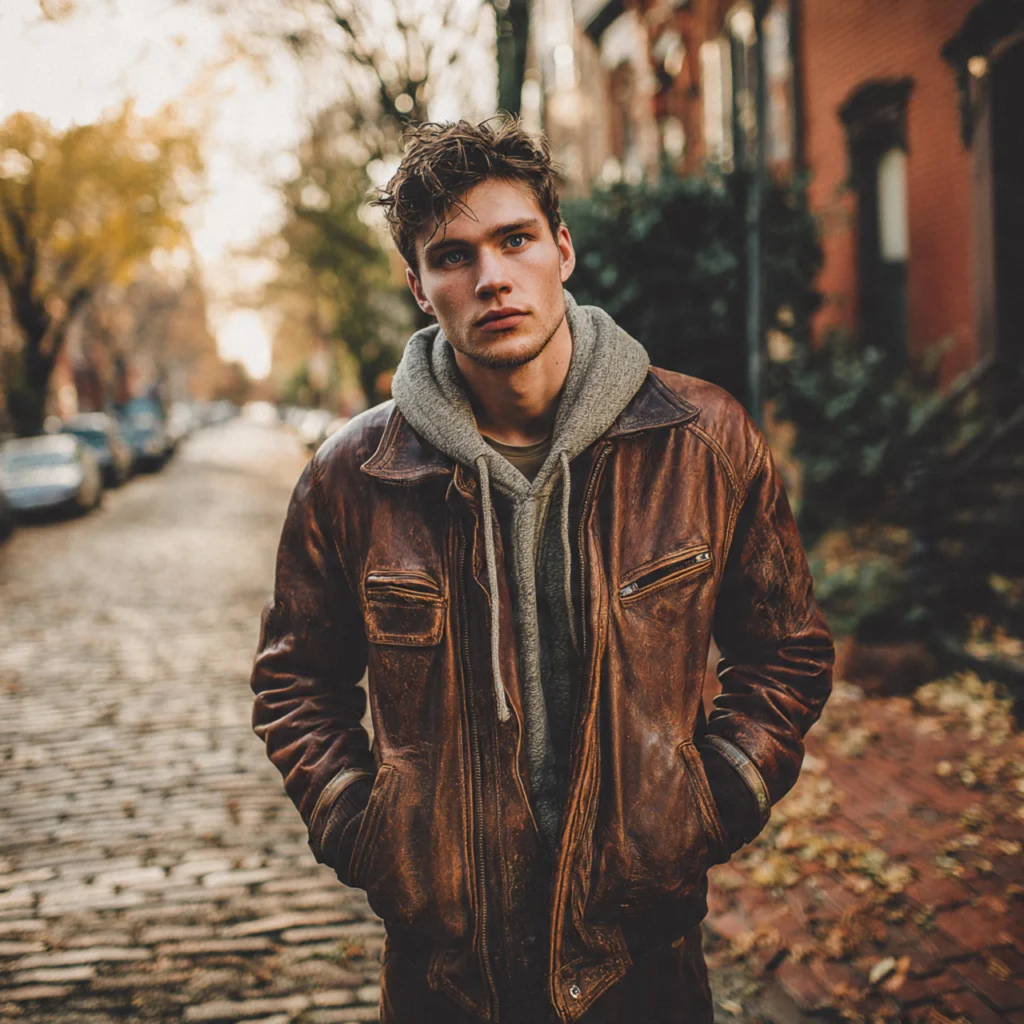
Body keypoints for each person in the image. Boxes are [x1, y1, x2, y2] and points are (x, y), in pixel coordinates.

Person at [251, 118, 834, 1024]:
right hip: (445, 973)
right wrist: (364, 827)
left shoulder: (700, 440)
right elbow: (294, 680)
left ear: (562, 247)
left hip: (647, 953)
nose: (491, 276)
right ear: (417, 285)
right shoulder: (352, 478)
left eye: (514, 239)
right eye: (452, 255)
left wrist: (714, 796)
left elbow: (787, 651)